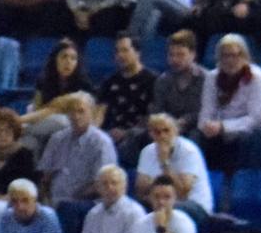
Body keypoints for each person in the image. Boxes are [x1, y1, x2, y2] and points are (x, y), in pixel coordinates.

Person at [196, 34, 261, 175]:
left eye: (235, 55)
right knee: (198, 137)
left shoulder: (257, 77)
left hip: (256, 132)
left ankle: (242, 184)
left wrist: (223, 127)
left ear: (245, 56)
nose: (230, 60)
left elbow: (255, 119)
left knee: (249, 139)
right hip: (221, 130)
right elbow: (206, 110)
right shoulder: (212, 77)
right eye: (225, 56)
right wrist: (206, 126)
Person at [38, 93, 116, 209]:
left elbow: (102, 183)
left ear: (92, 113)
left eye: (81, 111)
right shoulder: (57, 139)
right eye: (71, 111)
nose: (76, 116)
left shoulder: (102, 143)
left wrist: (72, 199)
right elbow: (45, 176)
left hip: (86, 203)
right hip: (54, 201)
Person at [135, 112, 213, 221]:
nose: (162, 136)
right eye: (157, 132)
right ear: (151, 134)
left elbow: (182, 194)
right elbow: (140, 191)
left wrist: (164, 163)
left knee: (166, 208)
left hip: (194, 205)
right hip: (159, 202)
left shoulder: (188, 151)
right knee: (136, 208)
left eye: (166, 131)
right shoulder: (147, 151)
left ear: (176, 132)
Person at [20, 38, 92, 154]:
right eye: (64, 57)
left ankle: (18, 129)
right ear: (55, 60)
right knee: (28, 142)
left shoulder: (84, 85)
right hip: (44, 129)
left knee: (62, 121)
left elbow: (52, 110)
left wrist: (18, 122)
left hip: (72, 131)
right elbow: (38, 110)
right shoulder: (43, 81)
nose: (68, 62)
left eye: (73, 58)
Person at [96, 34, 157, 165]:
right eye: (117, 51)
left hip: (138, 133)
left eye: (125, 50)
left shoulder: (152, 80)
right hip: (111, 133)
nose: (120, 55)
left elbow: (152, 116)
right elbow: (100, 112)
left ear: (137, 53)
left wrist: (126, 133)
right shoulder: (109, 81)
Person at [150, 31, 206, 138]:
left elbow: (205, 111)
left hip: (195, 127)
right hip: (167, 127)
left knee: (195, 135)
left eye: (180, 55)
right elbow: (158, 110)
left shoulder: (205, 79)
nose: (175, 60)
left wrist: (183, 121)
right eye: (171, 55)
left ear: (193, 54)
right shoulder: (163, 80)